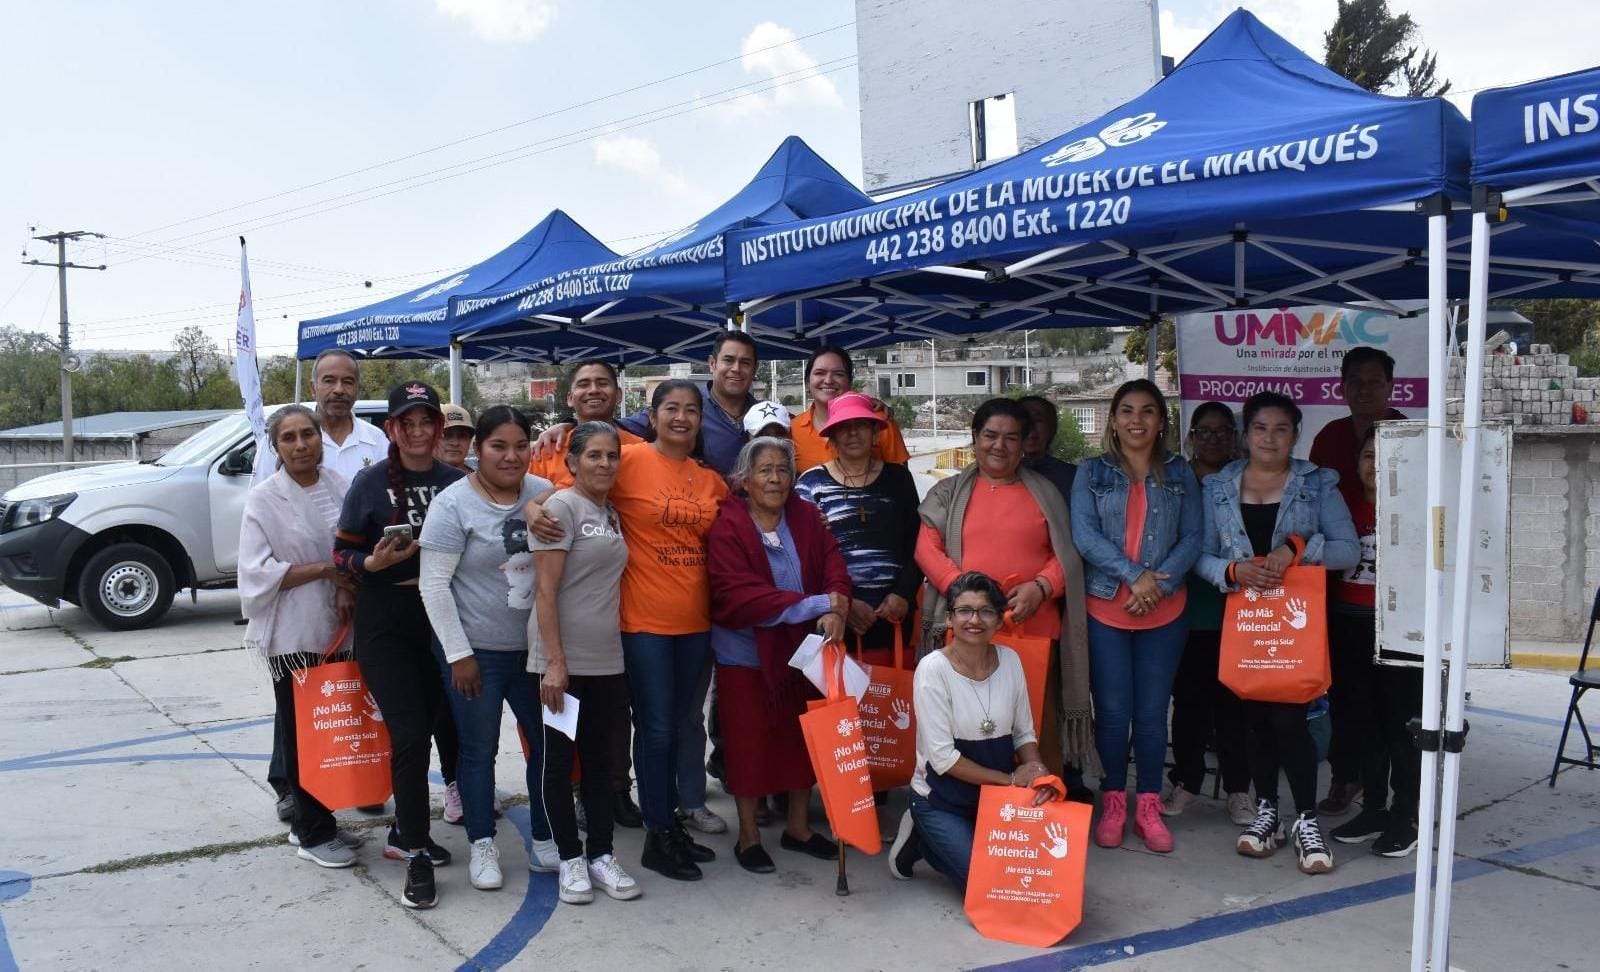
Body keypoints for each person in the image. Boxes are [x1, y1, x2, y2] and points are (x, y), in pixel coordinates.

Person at [529, 379, 729, 881]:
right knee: (656, 729)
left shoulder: (710, 481)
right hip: (643, 623)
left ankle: (670, 824)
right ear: (653, 414)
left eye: (691, 410)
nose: (681, 418)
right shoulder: (631, 458)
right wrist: (532, 507)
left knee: (682, 726)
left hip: (695, 624)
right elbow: (570, 482)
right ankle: (657, 832)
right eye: (671, 409)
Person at [1196, 391, 1359, 875]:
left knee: (1291, 720)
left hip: (1295, 622)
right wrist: (1231, 572)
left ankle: (1306, 819)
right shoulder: (1218, 487)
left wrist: (1296, 549)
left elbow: (1348, 550)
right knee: (1254, 720)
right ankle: (1268, 812)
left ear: (1296, 434)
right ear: (1246, 435)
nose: (1270, 438)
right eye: (1261, 429)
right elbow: (1199, 556)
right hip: (1246, 620)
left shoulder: (1316, 482)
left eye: (1281, 429)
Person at [417, 405, 560, 895]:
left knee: (546, 746)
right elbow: (433, 586)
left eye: (521, 445)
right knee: (477, 751)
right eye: (499, 445)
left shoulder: (544, 494)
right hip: (475, 652)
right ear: (478, 450)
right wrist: (458, 654)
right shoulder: (452, 504)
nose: (511, 455)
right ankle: (482, 842)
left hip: (534, 652)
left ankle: (546, 836)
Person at [332, 381, 463, 909]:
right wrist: (369, 565)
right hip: (385, 618)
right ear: (391, 428)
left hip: (443, 616)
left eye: (425, 421)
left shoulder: (457, 481)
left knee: (435, 727)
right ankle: (415, 855)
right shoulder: (367, 484)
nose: (416, 430)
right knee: (409, 735)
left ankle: (409, 833)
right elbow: (340, 554)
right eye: (406, 421)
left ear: (438, 428)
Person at [915, 398, 1095, 781]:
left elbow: (1069, 553)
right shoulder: (947, 492)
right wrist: (965, 594)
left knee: (1035, 726)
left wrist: (1041, 587)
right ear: (974, 437)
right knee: (969, 726)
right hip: (967, 629)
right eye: (991, 436)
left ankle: (1037, 811)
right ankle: (976, 804)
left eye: (1011, 438)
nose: (1000, 446)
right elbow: (926, 548)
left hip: (1032, 630)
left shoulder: (1047, 494)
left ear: (1024, 442)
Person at [708, 437, 853, 873]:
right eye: (765, 470)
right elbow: (738, 595)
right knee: (747, 743)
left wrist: (838, 603)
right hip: (745, 654)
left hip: (803, 653)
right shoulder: (729, 524)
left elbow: (835, 568)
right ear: (745, 479)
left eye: (783, 470)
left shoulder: (806, 517)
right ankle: (748, 835)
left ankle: (798, 828)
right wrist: (819, 605)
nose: (775, 478)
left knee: (800, 740)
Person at [1070, 380, 1201, 853]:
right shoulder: (1091, 472)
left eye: (1148, 411)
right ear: (1112, 418)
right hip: (1106, 606)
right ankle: (1114, 802)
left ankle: (1147, 804)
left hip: (1164, 612)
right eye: (1126, 411)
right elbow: (1084, 536)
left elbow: (1192, 538)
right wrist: (1133, 576)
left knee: (1150, 716)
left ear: (1161, 421)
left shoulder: (1180, 472)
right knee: (1112, 715)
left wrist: (1156, 586)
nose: (1137, 420)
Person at [257, 348, 388, 821]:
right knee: (303, 696)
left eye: (347, 381)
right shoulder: (292, 436)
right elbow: (266, 511)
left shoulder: (376, 441)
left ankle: (359, 776)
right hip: (306, 600)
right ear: (313, 386)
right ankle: (291, 786)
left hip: (366, 582)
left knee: (355, 687)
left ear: (357, 387)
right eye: (328, 381)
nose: (337, 390)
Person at [240, 405, 361, 869]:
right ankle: (313, 833)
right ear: (276, 447)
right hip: (293, 633)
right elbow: (255, 572)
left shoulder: (340, 486)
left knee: (329, 730)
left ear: (319, 438)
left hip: (340, 628)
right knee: (300, 733)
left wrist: (347, 577)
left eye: (307, 434)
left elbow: (353, 545)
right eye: (288, 437)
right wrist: (325, 572)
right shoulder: (265, 498)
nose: (300, 444)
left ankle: (314, 822)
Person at [526, 421, 642, 904]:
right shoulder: (560, 507)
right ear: (571, 462)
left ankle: (600, 854)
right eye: (593, 455)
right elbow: (545, 590)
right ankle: (569, 859)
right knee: (558, 766)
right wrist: (555, 663)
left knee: (600, 764)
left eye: (611, 455)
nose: (604, 464)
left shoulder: (610, 512)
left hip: (606, 661)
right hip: (561, 662)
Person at [888, 571, 1060, 890]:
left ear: (998, 620)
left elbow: (1023, 733)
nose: (974, 620)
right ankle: (922, 837)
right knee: (987, 885)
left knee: (1029, 881)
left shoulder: (1010, 660)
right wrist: (1011, 779)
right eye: (964, 610)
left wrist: (1036, 772)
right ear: (950, 619)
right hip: (941, 797)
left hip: (996, 796)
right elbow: (943, 760)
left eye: (985, 611)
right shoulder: (932, 670)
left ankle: (958, 837)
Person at [1309, 345, 1404, 815]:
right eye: (1355, 382)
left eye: (1374, 381)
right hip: (1337, 597)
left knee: (1392, 704)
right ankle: (1345, 779)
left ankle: (1382, 790)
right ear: (1341, 388)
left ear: (1391, 386)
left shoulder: (1413, 435)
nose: (1364, 389)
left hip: (1398, 606)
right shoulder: (1327, 438)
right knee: (1345, 696)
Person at [1327, 428, 1424, 858]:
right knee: (1362, 724)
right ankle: (1374, 809)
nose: (1374, 463)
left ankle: (1407, 817)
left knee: (1400, 727)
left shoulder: (1417, 508)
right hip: (1350, 627)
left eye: (1385, 455)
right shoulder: (1343, 508)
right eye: (1367, 454)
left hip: (1401, 632)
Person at [1164, 402, 1253, 826]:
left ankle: (1239, 790)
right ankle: (1187, 781)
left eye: (1223, 431)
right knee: (1190, 706)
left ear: (1234, 438)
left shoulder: (1246, 481)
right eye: (1205, 431)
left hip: (1238, 612)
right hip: (1185, 611)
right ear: (1191, 437)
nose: (1214, 439)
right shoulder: (1175, 480)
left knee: (1236, 708)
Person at [794, 391, 921, 660]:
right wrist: (842, 604)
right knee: (841, 698)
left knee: (889, 699)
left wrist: (903, 594)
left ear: (875, 433)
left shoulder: (898, 479)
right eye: (844, 428)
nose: (853, 434)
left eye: (861, 425)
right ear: (833, 437)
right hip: (835, 618)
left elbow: (917, 541)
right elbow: (804, 557)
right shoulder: (810, 483)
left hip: (893, 614)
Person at [788, 346, 909, 473]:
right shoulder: (792, 429)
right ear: (807, 382)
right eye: (820, 373)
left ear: (849, 381)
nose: (828, 380)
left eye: (838, 374)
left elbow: (901, 483)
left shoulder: (880, 421)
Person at [1017, 395, 1077, 505]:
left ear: (1052, 427)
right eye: (1024, 420)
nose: (1030, 428)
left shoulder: (1073, 477)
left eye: (1038, 420)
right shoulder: (1001, 474)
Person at [436, 404, 476, 472]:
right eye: (446, 435)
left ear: (470, 441)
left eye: (462, 436)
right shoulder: (416, 480)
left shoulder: (483, 480)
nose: (455, 443)